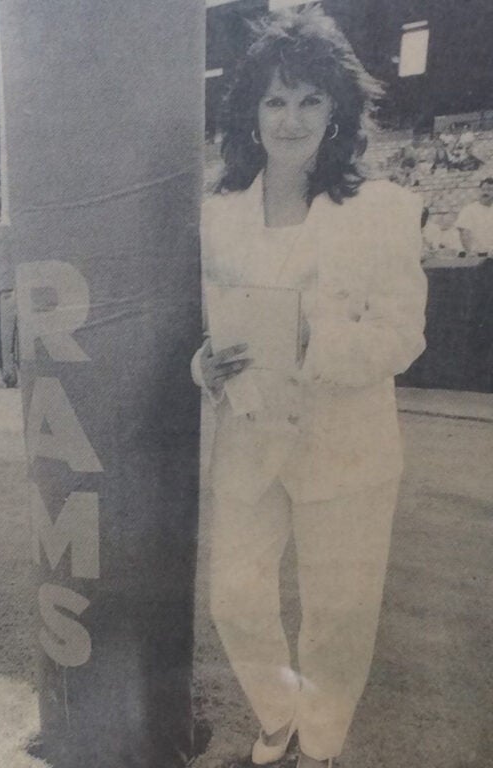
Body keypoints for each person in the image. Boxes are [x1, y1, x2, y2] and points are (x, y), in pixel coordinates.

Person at [191, 9, 427, 768]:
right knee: (234, 596)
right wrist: (206, 365)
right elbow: (201, 332)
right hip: (250, 436)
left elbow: (403, 337)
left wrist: (310, 341)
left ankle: (318, 747)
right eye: (274, 100)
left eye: (309, 101)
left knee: (338, 616)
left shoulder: (384, 212)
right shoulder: (216, 216)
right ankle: (278, 717)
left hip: (345, 446)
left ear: (336, 112)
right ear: (250, 111)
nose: (290, 119)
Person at [455, 178, 493, 258]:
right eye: (483, 190)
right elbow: (464, 233)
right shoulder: (469, 209)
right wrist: (470, 252)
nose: (485, 192)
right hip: (476, 256)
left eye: (490, 190)